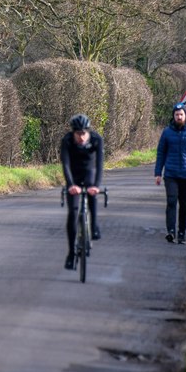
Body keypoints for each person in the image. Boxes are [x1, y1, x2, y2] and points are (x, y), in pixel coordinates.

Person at [154, 102, 186, 244]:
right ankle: (171, 231)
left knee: (184, 204)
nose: (179, 117)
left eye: (181, 114)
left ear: (185, 116)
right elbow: (161, 153)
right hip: (170, 174)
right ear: (173, 116)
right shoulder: (167, 132)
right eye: (176, 115)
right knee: (171, 201)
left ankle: (182, 232)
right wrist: (158, 173)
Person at [60, 114, 104, 270]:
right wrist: (71, 185)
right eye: (78, 133)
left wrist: (97, 186)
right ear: (73, 133)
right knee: (73, 212)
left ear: (88, 132)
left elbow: (99, 165)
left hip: (90, 173)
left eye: (83, 133)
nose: (81, 137)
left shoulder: (96, 140)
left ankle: (94, 225)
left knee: (92, 194)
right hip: (74, 176)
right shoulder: (66, 141)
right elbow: (65, 164)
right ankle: (71, 254)